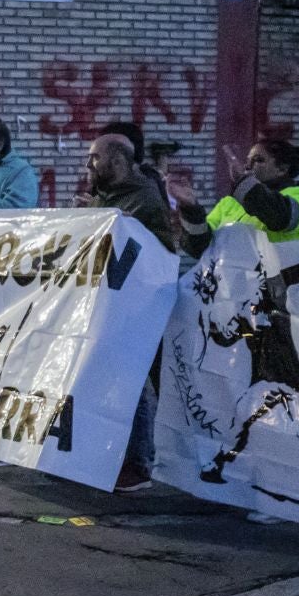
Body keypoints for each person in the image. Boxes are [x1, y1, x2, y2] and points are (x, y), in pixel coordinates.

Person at [76, 131, 179, 492]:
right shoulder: (110, 196)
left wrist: (94, 220)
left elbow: (122, 242)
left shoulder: (143, 198)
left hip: (137, 304)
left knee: (134, 382)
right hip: (110, 303)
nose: (89, 164)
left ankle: (138, 463)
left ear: (117, 162)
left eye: (95, 158)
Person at [169, 139, 299, 259]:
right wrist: (191, 209)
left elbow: (278, 215)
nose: (248, 166)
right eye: (248, 160)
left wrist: (243, 181)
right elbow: (199, 248)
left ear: (282, 169)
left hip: (282, 291)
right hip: (234, 292)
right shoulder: (231, 203)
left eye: (258, 160)